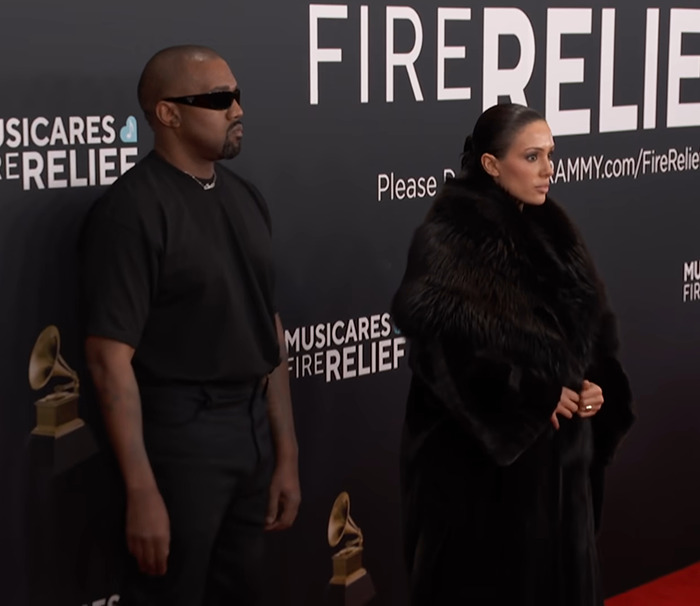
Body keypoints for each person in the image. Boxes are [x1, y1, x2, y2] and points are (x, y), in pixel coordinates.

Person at [80, 45, 300, 606]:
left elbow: (268, 331)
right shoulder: (130, 210)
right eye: (218, 99)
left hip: (250, 431)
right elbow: (109, 359)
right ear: (168, 113)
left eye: (238, 95)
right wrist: (141, 489)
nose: (236, 109)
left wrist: (286, 455)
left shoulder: (247, 197)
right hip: (179, 438)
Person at [391, 103, 634, 606]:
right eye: (532, 156)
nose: (549, 169)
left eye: (551, 154)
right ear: (491, 165)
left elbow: (589, 330)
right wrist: (531, 396)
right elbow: (443, 357)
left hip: (557, 475)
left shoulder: (555, 230)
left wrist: (593, 382)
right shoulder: (449, 239)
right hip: (482, 483)